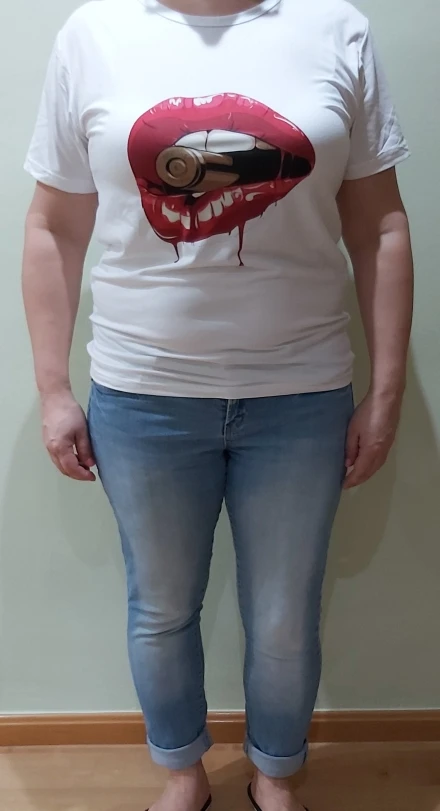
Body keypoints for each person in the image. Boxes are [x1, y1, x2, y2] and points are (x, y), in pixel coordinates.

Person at [22, 0, 413, 809]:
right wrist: (53, 388)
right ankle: (184, 774)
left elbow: (380, 224)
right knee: (161, 607)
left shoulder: (335, 29)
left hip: (302, 393)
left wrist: (386, 391)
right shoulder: (93, 34)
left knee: (284, 615)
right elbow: (53, 226)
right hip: (143, 396)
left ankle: (274, 773)